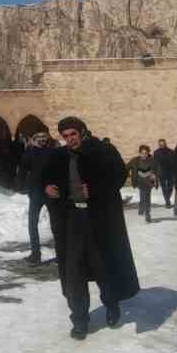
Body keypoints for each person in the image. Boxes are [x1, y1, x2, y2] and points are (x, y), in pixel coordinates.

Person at [41, 116, 141, 340]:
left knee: (103, 267)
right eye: (65, 136)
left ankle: (112, 304)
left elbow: (118, 176)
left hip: (99, 219)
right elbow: (43, 178)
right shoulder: (58, 156)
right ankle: (79, 319)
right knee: (73, 271)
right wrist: (48, 188)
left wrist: (94, 190)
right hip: (71, 220)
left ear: (82, 132)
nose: (70, 140)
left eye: (73, 134)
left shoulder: (103, 151)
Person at [18, 132, 61, 263]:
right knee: (50, 223)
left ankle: (37, 254)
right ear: (34, 139)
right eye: (40, 138)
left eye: (44, 138)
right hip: (43, 191)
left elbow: (22, 171)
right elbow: (23, 171)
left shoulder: (32, 153)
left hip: (41, 191)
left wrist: (21, 186)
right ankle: (39, 253)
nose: (42, 140)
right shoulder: (51, 152)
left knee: (40, 223)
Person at [151, 138, 174, 204]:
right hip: (161, 172)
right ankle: (167, 200)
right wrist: (154, 173)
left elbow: (174, 162)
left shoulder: (171, 151)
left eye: (163, 144)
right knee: (164, 187)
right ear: (159, 145)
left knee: (170, 187)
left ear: (165, 144)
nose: (162, 146)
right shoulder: (156, 152)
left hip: (170, 172)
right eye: (160, 145)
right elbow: (154, 163)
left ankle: (167, 197)